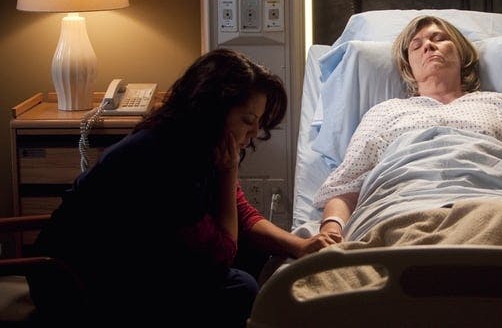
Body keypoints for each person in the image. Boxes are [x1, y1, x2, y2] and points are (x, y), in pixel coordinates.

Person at [27, 49, 338, 327]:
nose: (255, 132)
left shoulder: (197, 144)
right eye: (248, 120)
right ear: (214, 109)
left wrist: (299, 246)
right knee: (239, 288)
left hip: (129, 257)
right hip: (74, 279)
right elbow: (221, 254)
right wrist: (229, 172)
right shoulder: (162, 157)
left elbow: (240, 213)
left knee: (256, 254)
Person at [314, 15, 502, 256]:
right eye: (416, 45)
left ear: (461, 54)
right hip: (400, 205)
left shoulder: (500, 105)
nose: (428, 46)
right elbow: (347, 184)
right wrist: (331, 229)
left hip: (489, 202)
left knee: (501, 220)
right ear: (408, 66)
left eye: (439, 39)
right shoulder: (384, 112)